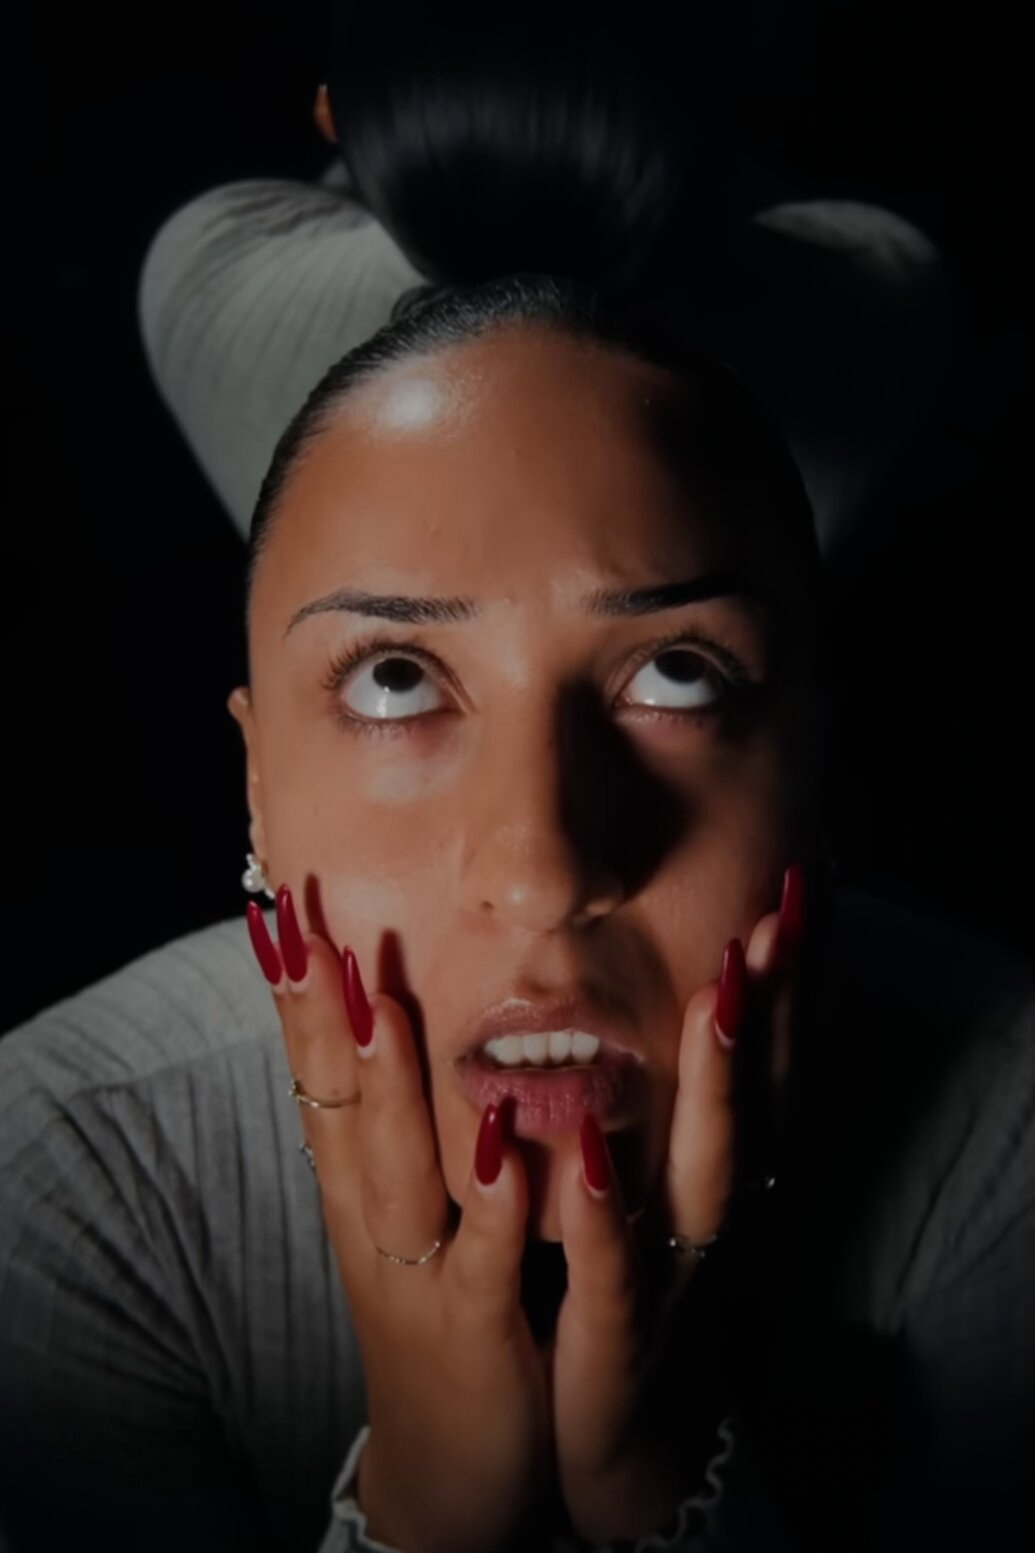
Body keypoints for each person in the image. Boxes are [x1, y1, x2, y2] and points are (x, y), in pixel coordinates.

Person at [2, 17, 1033, 1553]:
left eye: (676, 673)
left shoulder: (1010, 1139)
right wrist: (421, 1504)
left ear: (814, 755)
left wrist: (668, 1482)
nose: (546, 869)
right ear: (256, 781)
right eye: (395, 680)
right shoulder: (56, 1184)